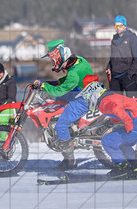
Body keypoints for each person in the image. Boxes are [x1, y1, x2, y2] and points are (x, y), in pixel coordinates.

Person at [32, 39, 94, 170]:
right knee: (55, 102)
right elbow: (66, 82)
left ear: (61, 56)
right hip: (83, 92)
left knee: (60, 126)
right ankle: (69, 129)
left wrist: (45, 86)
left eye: (54, 60)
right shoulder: (79, 60)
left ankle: (69, 161)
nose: (54, 63)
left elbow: (60, 91)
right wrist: (51, 83)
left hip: (82, 100)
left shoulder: (73, 74)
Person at [78, 75, 137, 179]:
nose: (87, 100)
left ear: (92, 94)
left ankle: (122, 168)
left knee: (107, 141)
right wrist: (112, 122)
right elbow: (119, 110)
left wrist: (128, 125)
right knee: (122, 144)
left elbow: (117, 110)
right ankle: (136, 166)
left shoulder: (104, 103)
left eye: (87, 97)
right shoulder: (109, 97)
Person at [105, 15, 137, 98]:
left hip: (128, 75)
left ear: (125, 26)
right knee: (115, 101)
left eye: (120, 25)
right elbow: (113, 56)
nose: (118, 28)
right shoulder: (114, 39)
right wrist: (109, 67)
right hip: (115, 76)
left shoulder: (132, 38)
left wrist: (130, 73)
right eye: (116, 26)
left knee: (132, 101)